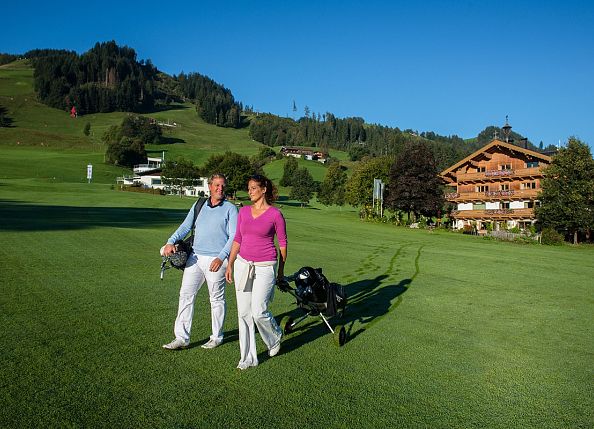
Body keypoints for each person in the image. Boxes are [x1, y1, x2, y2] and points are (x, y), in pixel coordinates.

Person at [162, 174, 238, 350]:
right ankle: (181, 338)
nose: (220, 188)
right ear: (210, 186)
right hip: (194, 257)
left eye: (223, 186)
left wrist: (221, 257)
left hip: (217, 259)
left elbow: (234, 236)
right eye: (217, 185)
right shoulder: (199, 205)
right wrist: (170, 241)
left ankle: (217, 337)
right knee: (185, 296)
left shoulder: (231, 209)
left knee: (216, 299)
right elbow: (185, 226)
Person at [225, 175, 287, 370]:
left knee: (259, 311)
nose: (250, 191)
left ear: (263, 190)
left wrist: (281, 272)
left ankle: (274, 336)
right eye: (249, 188)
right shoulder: (242, 212)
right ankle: (247, 358)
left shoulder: (275, 214)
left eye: (253, 188)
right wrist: (230, 263)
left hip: (265, 266)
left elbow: (283, 245)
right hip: (243, 264)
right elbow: (237, 238)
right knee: (244, 313)